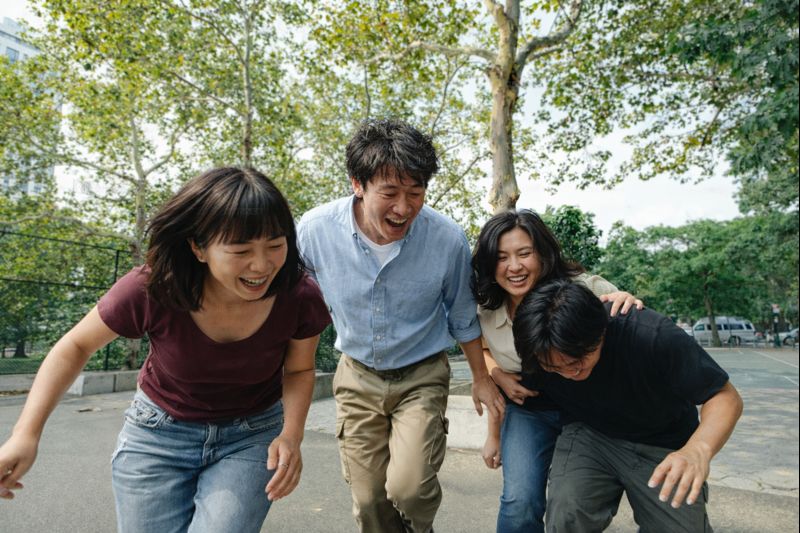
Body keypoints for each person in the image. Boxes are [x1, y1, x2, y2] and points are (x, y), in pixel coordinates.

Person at [0, 167, 331, 533]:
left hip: (251, 434)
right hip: (158, 434)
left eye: (275, 245)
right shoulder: (151, 287)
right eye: (241, 250)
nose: (262, 264)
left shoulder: (298, 296)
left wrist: (291, 435)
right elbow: (74, 346)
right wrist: (25, 434)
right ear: (199, 247)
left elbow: (298, 370)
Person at [297, 118, 504, 533]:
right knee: (370, 500)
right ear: (358, 184)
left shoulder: (446, 238)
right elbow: (296, 307)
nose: (404, 207)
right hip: (356, 376)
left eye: (416, 193)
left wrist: (481, 377)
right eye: (389, 193)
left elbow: (462, 314)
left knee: (409, 489)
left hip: (422, 375)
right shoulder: (314, 231)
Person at [513, 279, 743, 532]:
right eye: (555, 367)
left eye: (578, 359)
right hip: (591, 435)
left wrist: (698, 450)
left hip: (665, 445)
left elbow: (725, 397)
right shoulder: (537, 350)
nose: (571, 372)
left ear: (601, 331)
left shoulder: (650, 334)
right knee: (567, 512)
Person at [471, 209, 641, 533]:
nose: (515, 266)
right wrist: (495, 374)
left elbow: (627, 318)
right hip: (529, 411)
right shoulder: (484, 306)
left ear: (543, 254)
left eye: (524, 253)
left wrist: (624, 299)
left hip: (584, 411)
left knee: (570, 507)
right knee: (519, 502)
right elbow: (480, 348)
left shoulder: (579, 290)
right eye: (503, 257)